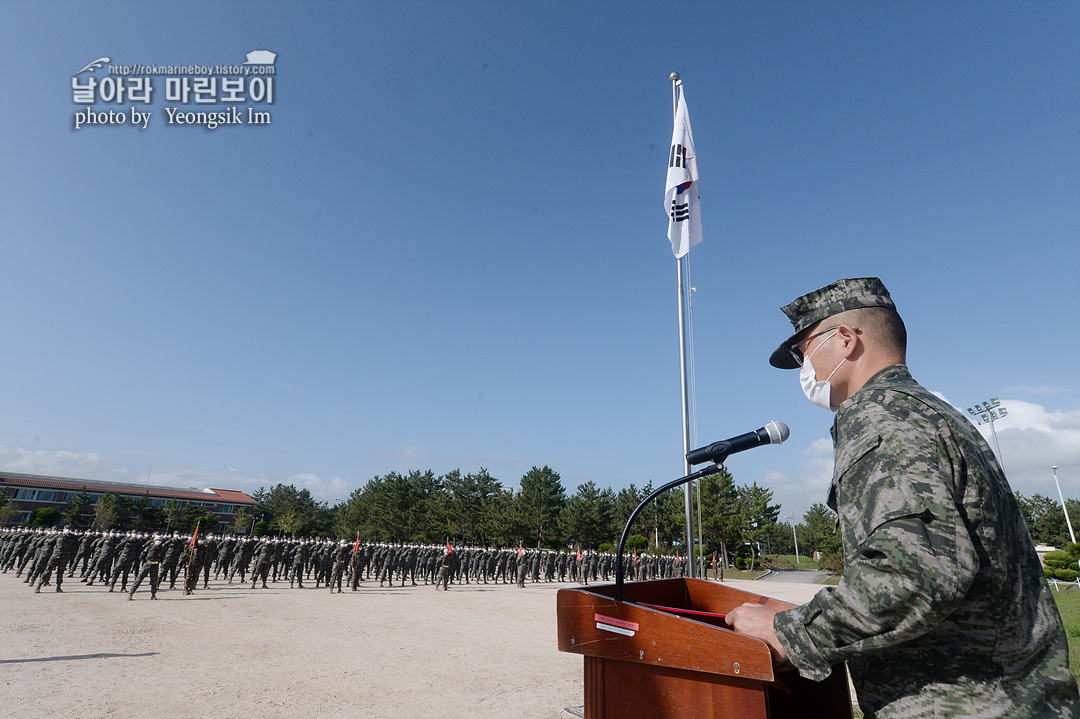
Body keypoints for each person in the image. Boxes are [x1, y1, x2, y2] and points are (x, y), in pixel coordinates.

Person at [725, 277, 1079, 717]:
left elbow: (912, 574)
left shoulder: (879, 415)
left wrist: (791, 633)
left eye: (803, 350)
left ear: (847, 340)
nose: (804, 367)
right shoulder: (928, 411)